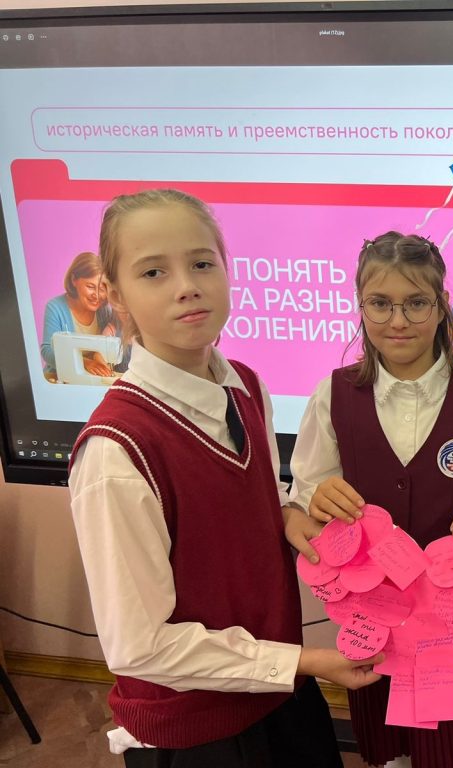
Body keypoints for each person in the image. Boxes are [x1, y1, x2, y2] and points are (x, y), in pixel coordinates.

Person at [68, 189, 380, 768]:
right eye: (154, 272)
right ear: (115, 294)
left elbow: (243, 502)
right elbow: (140, 646)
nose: (187, 286)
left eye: (202, 263)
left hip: (282, 695)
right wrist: (303, 662)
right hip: (198, 730)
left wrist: (286, 515)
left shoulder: (245, 385)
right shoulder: (117, 452)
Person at [289, 232, 453, 768]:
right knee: (392, 753)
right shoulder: (332, 395)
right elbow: (307, 494)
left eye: (416, 303)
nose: (398, 321)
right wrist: (316, 498)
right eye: (380, 303)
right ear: (361, 307)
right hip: (376, 624)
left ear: (442, 306)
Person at [40, 250, 115, 380]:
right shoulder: (56, 307)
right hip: (59, 378)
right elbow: (47, 351)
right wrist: (85, 363)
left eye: (102, 289)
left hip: (91, 380)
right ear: (74, 280)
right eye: (90, 286)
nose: (97, 295)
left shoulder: (104, 312)